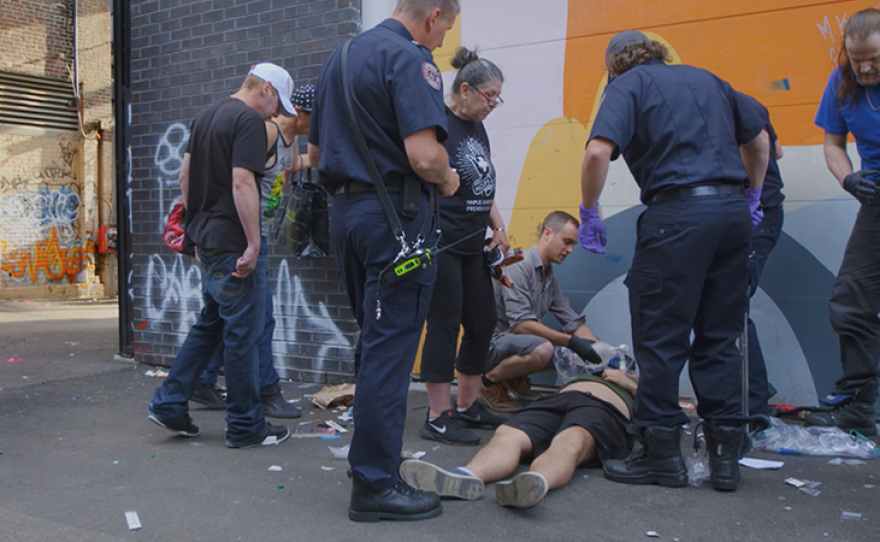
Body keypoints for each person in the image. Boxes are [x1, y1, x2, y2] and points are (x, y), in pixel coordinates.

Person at [579, 31, 770, 492]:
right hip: (730, 215)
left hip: (677, 215)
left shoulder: (625, 86)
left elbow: (597, 151)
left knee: (660, 336)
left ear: (614, 66)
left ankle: (663, 456)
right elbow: (760, 140)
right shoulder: (710, 79)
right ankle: (726, 462)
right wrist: (753, 193)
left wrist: (589, 210)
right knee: (721, 335)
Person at [308, 0, 461, 522]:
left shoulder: (340, 57)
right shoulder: (411, 59)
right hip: (396, 218)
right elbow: (424, 155)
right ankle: (375, 485)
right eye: (445, 30)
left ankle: (368, 465)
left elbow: (311, 154)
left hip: (346, 215)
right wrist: (447, 177)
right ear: (433, 14)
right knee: (392, 350)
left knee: (375, 343)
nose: (442, 42)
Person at [148, 63, 297, 449]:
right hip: (233, 242)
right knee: (242, 334)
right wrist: (253, 243)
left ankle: (168, 400)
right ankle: (246, 424)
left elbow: (185, 176)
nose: (276, 114)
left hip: (208, 239)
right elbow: (242, 180)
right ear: (266, 88)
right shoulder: (247, 120)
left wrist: (194, 228)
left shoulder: (205, 116)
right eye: (277, 103)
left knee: (211, 323)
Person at [191, 84, 316, 420]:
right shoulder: (265, 131)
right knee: (260, 319)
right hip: (242, 239)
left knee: (218, 316)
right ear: (302, 114)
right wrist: (248, 240)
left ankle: (198, 381)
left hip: (249, 237)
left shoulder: (294, 139)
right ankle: (264, 392)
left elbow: (303, 162)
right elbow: (239, 178)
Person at [419, 47, 511, 447]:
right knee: (444, 325)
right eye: (490, 96)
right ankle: (438, 416)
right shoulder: (438, 123)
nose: (494, 104)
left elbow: (481, 183)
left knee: (482, 321)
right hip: (442, 242)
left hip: (473, 243)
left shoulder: (478, 127)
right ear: (466, 89)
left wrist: (499, 226)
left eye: (497, 97)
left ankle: (469, 404)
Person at [399, 368, 636, 509]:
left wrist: (632, 384)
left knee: (572, 439)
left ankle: (535, 481)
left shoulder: (645, 378)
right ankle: (467, 475)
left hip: (603, 407)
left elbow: (666, 409)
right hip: (557, 400)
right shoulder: (590, 370)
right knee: (509, 434)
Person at [805, 8, 880, 436]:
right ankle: (857, 404)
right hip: (875, 199)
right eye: (857, 59)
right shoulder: (843, 82)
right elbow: (833, 144)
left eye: (874, 58)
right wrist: (849, 178)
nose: (865, 67)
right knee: (850, 301)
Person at [479, 211, 603, 413]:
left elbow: (573, 323)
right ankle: (487, 382)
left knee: (578, 354)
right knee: (546, 348)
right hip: (492, 345)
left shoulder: (548, 277)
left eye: (573, 245)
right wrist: (571, 341)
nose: (570, 250)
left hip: (516, 345)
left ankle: (513, 376)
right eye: (567, 241)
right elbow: (521, 326)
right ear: (547, 233)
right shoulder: (517, 264)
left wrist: (603, 352)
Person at [738, 93, 786, 418]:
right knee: (728, 305)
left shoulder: (728, 109)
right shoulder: (748, 104)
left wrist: (753, 192)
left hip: (757, 213)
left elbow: (765, 146)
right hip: (758, 214)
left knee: (732, 305)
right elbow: (778, 150)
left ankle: (753, 404)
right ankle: (753, 391)